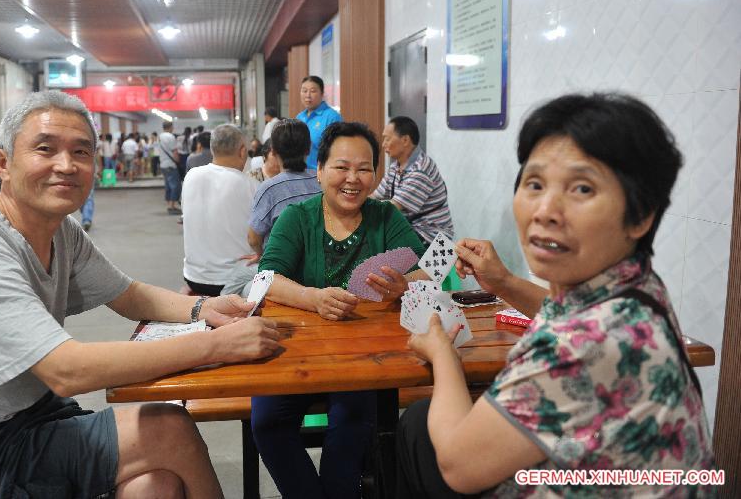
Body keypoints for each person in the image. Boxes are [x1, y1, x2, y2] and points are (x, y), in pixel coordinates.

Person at [0, 90, 281, 499]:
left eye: (81, 152)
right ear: (3, 163)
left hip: (28, 415)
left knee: (155, 483)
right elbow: (67, 371)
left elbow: (128, 294)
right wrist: (216, 345)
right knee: (167, 428)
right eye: (45, 149)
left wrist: (204, 307)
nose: (66, 166)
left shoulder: (60, 230)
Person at [395, 93, 715, 497]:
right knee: (423, 419)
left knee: (418, 428)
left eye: (581, 188)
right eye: (535, 183)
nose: (545, 209)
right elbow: (568, 314)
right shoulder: (637, 284)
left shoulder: (581, 345)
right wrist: (506, 283)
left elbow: (459, 467)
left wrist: (441, 350)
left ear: (640, 215)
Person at [253, 121, 425, 498]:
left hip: (364, 358)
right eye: (341, 167)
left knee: (353, 420)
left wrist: (405, 284)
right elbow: (265, 279)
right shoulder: (296, 218)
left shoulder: (385, 217)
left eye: (364, 169)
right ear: (319, 171)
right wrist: (313, 298)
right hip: (296, 352)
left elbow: (427, 269)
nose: (353, 178)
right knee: (267, 422)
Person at [181, 124, 258, 296]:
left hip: (194, 278)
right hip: (233, 280)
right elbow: (257, 237)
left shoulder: (191, 176)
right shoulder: (248, 184)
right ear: (242, 151)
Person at [372, 116, 454, 246]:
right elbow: (376, 196)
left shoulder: (421, 169)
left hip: (431, 238)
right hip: (411, 229)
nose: (383, 144)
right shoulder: (395, 166)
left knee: (377, 245)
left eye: (387, 139)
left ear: (405, 140)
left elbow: (392, 208)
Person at [247, 119, 321, 260]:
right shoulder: (323, 180)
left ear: (273, 151)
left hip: (282, 267)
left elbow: (253, 239)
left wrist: (262, 255)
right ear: (309, 148)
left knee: (236, 278)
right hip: (319, 262)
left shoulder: (269, 188)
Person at [296, 75, 342, 170]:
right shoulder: (299, 117)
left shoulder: (332, 117)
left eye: (313, 91)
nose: (308, 95)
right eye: (304, 91)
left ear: (322, 94)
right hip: (299, 173)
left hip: (321, 175)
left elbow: (337, 150)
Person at [158, 122, 182, 214]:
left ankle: (169, 204)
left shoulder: (160, 136)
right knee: (176, 185)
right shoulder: (170, 137)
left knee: (168, 185)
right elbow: (174, 151)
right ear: (170, 127)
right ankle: (172, 206)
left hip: (163, 164)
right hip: (170, 164)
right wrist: (178, 161)